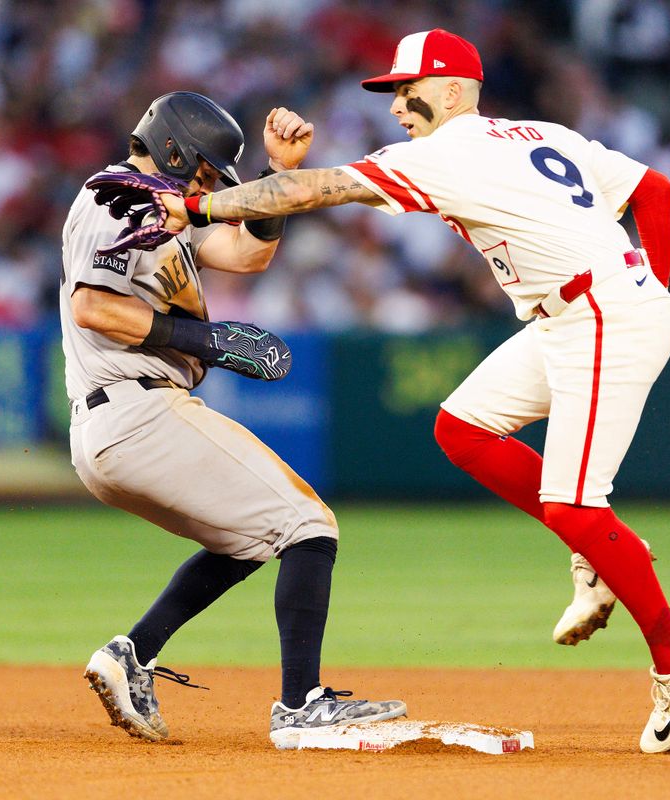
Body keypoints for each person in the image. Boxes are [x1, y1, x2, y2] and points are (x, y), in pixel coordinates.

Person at [89, 30, 670, 754]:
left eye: (407, 88)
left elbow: (310, 189)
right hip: (580, 313)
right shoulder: (535, 133)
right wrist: (653, 287)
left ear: (453, 89)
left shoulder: (449, 150)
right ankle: (601, 551)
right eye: (392, 91)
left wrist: (200, 210)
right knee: (463, 429)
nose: (397, 104)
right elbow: (654, 190)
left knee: (574, 503)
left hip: (600, 313)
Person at [61, 91, 405, 749]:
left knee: (249, 539)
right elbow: (92, 307)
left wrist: (279, 177)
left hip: (119, 419)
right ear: (172, 149)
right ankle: (302, 705)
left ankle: (132, 653)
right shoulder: (118, 197)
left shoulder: (160, 207)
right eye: (205, 171)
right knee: (309, 523)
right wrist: (207, 341)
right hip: (136, 408)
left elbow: (249, 254)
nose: (209, 185)